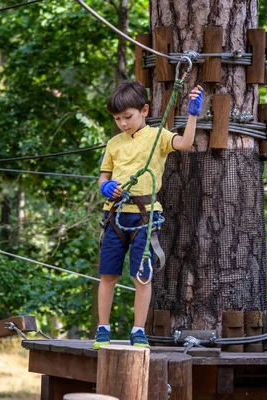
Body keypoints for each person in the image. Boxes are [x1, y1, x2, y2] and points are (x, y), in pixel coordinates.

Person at [94, 81, 203, 349]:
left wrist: (192, 115)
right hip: (115, 215)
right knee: (108, 274)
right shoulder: (113, 143)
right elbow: (103, 176)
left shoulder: (158, 136)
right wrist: (106, 187)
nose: (122, 123)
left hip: (145, 217)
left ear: (144, 110)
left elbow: (186, 143)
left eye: (127, 117)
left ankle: (138, 331)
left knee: (142, 275)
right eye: (117, 119)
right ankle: (103, 329)